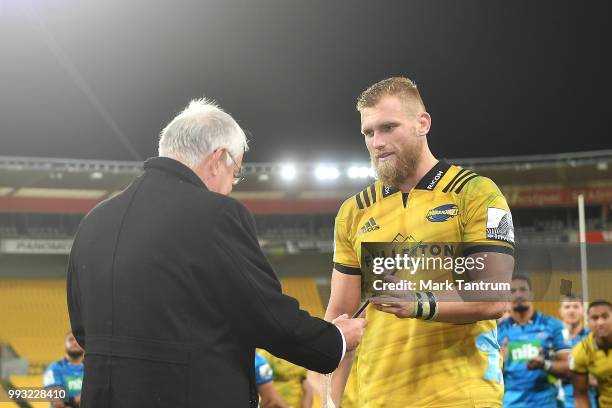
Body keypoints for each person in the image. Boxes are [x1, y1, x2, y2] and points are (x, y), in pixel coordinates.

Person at [66, 98, 367, 407]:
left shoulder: (95, 220)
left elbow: (82, 327)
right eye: (235, 173)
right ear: (218, 158)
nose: (231, 186)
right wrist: (336, 340)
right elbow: (266, 315)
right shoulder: (216, 214)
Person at [325, 76, 515, 407]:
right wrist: (330, 400)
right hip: (374, 397)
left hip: (460, 395)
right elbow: (341, 316)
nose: (377, 142)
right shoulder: (353, 212)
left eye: (388, 127)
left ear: (422, 123)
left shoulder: (476, 193)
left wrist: (419, 301)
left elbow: (494, 295)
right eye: (368, 133)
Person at [498, 275, 570, 408]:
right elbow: (488, 376)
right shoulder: (498, 331)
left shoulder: (553, 325)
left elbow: (569, 368)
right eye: (512, 291)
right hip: (509, 404)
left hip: (546, 403)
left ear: (531, 294)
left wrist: (545, 365)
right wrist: (501, 361)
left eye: (523, 289)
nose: (518, 294)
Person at [557, 295, 598, 407]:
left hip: (589, 399)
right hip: (559, 401)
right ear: (560, 311)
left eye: (575, 306)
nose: (571, 311)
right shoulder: (553, 339)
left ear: (582, 310)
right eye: (567, 307)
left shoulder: (594, 337)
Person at [570, 300, 612, 407]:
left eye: (605, 316)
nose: (600, 323)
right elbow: (580, 394)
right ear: (588, 323)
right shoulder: (581, 351)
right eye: (594, 318)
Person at [42, 331, 84, 408]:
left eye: (78, 340)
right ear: (64, 344)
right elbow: (57, 402)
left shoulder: (93, 369)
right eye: (71, 340)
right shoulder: (53, 368)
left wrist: (69, 401)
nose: (75, 343)